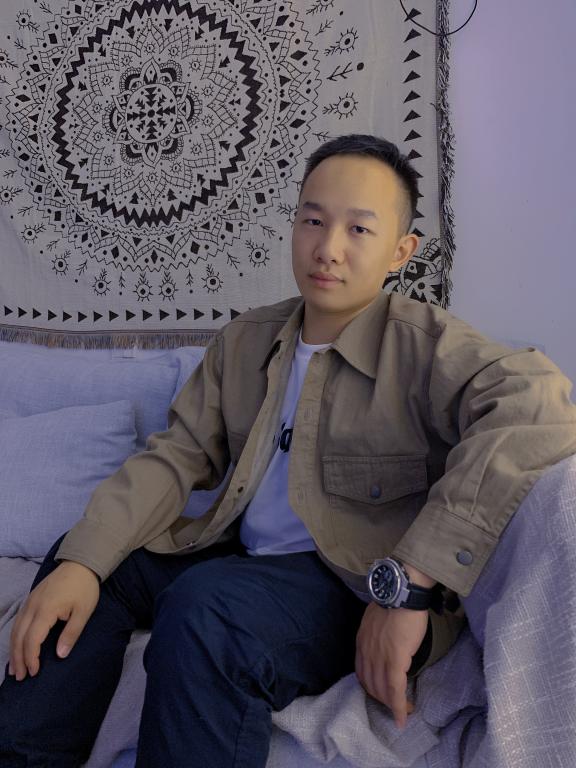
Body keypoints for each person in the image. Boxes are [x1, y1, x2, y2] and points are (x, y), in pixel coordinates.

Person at [1, 134, 575, 768]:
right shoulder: (247, 339)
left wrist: (408, 585)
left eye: (359, 228)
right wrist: (83, 561)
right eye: (313, 221)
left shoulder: (427, 345)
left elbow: (538, 403)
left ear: (400, 251)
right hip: (245, 560)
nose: (328, 248)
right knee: (85, 555)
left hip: (348, 583)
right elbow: (175, 457)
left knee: (207, 609)